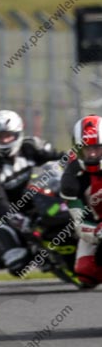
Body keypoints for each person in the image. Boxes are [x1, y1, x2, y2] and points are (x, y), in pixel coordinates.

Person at [0, 110, 63, 276]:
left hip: (38, 200)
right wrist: (17, 220)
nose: (4, 140)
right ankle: (34, 252)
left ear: (18, 133)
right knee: (17, 266)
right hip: (7, 214)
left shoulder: (31, 146)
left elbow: (61, 158)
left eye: (8, 135)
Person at [61, 114, 102, 287]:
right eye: (87, 148)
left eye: (97, 148)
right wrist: (96, 232)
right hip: (98, 224)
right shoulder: (71, 179)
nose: (92, 154)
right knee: (86, 273)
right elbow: (79, 223)